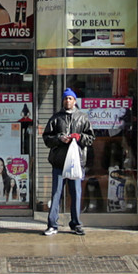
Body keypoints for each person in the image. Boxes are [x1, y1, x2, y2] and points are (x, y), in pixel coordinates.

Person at [42, 88, 93, 237]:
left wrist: (79, 137)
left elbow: (90, 138)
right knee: (56, 194)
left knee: (76, 193)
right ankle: (52, 224)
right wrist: (59, 139)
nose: (67, 101)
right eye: (65, 98)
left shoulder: (83, 118)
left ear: (75, 101)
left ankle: (76, 224)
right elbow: (46, 138)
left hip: (76, 163)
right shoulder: (56, 118)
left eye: (70, 98)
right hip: (59, 163)